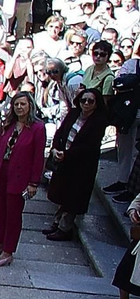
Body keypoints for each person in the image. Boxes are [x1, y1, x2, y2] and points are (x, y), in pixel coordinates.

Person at [0, 92, 45, 268]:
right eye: (16, 104)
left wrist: (33, 183)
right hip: (3, 173)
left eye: (23, 104)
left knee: (13, 215)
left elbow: (38, 157)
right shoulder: (8, 124)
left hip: (20, 177)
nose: (19, 107)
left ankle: (8, 252)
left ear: (30, 106)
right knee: (1, 211)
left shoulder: (38, 128)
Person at [45, 89, 105, 242]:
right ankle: (57, 222)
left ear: (96, 104)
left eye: (90, 101)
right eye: (83, 100)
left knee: (73, 197)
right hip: (65, 161)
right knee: (62, 193)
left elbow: (90, 147)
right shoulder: (73, 114)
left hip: (81, 167)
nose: (86, 104)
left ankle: (64, 228)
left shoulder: (98, 122)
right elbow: (60, 132)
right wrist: (57, 148)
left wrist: (67, 154)